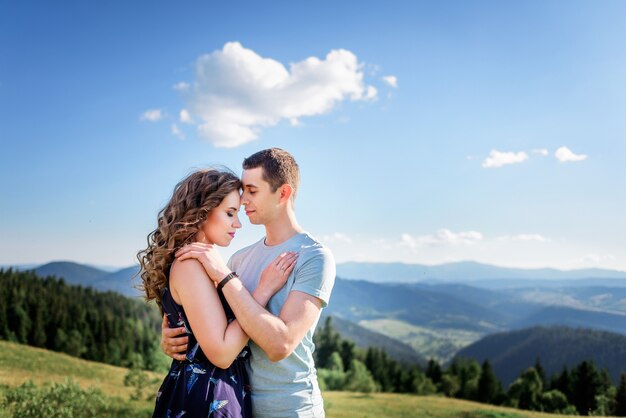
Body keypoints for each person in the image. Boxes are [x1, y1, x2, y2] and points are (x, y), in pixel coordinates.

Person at [162, 148, 336, 417]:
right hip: (239, 404)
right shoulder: (238, 260)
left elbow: (281, 345)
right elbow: (218, 329)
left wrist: (224, 276)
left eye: (252, 191)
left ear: (283, 193)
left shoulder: (313, 256)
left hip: (291, 408)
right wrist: (177, 338)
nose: (243, 200)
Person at [138, 168, 298, 418]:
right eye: (230, 213)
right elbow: (222, 353)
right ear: (202, 212)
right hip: (205, 399)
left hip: (213, 394)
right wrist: (263, 290)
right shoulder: (190, 265)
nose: (238, 223)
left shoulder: (203, 263)